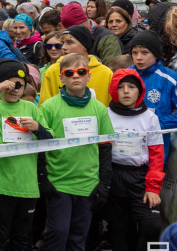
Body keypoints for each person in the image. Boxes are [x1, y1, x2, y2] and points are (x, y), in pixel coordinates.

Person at [0, 59, 52, 250]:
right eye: (12, 84)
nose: (16, 89)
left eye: (20, 86)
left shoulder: (31, 108)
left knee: (22, 240)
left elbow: (49, 139)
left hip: (27, 186)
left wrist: (38, 128)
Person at [38, 53, 114, 251]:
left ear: (88, 76)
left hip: (87, 183)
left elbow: (105, 147)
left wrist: (104, 184)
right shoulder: (48, 107)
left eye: (81, 72)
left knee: (78, 238)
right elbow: (40, 147)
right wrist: (44, 179)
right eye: (69, 73)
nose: (76, 76)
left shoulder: (99, 108)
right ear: (61, 78)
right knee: (57, 234)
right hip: (59, 183)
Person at [104, 68, 164, 250]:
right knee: (119, 228)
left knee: (151, 226)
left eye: (131, 87)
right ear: (114, 90)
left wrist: (153, 187)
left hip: (140, 177)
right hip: (113, 174)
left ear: (139, 90)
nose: (126, 91)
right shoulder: (105, 114)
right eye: (121, 87)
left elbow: (157, 154)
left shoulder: (150, 118)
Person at [127, 30, 177, 159]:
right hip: (125, 151)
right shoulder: (125, 76)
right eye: (135, 53)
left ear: (156, 54)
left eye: (145, 52)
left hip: (155, 152)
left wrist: (157, 124)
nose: (139, 57)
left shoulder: (170, 79)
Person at [39, 26, 113, 106]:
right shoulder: (52, 71)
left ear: (85, 45)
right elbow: (44, 107)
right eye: (63, 43)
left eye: (69, 42)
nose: (63, 47)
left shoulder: (105, 73)